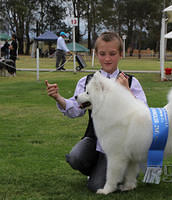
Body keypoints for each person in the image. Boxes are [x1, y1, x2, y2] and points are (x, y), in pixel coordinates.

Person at [45, 32, 147, 192]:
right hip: (95, 138)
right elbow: (75, 109)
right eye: (102, 54)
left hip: (120, 145)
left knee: (95, 186)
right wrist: (58, 98)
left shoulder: (131, 82)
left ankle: (125, 170)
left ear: (121, 54)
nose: (107, 59)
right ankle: (101, 171)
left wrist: (127, 91)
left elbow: (144, 114)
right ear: (96, 54)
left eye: (112, 54)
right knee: (75, 158)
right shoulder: (86, 81)